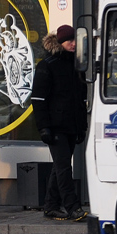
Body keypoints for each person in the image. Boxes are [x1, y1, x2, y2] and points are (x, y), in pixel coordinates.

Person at [31, 24, 88, 222]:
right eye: (69, 41)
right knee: (64, 167)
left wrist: (82, 126)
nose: (73, 44)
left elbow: (81, 99)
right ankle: (73, 207)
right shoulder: (47, 65)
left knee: (59, 166)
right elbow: (38, 100)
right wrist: (44, 127)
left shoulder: (77, 65)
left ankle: (50, 205)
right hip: (55, 127)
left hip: (71, 125)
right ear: (60, 42)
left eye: (75, 40)